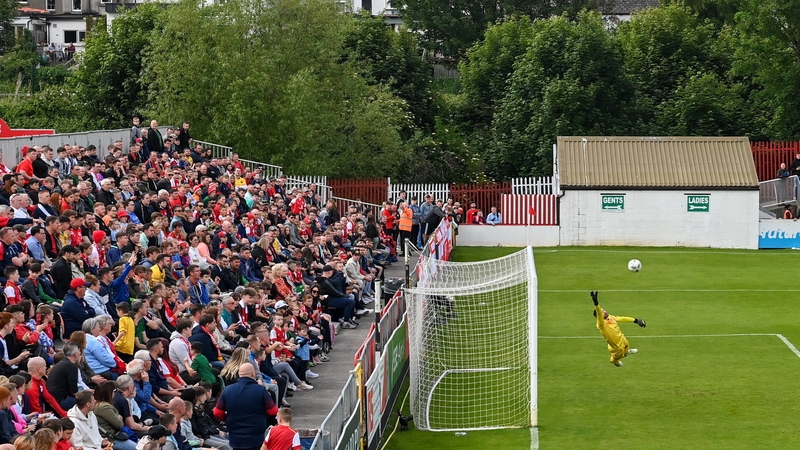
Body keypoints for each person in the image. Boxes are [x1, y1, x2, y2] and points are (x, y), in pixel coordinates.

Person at [213, 363, 278, 450]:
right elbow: (273, 411)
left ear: (239, 374)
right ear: (253, 374)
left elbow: (217, 412)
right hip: (256, 435)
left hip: (236, 436)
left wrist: (228, 418)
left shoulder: (227, 390)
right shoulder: (260, 390)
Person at [590, 291, 646, 367]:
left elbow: (622, 318)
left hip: (621, 338)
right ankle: (614, 361)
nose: (604, 311)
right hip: (616, 347)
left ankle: (626, 352)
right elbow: (599, 314)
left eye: (604, 310)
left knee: (626, 344)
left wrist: (635, 320)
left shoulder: (610, 317)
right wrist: (596, 304)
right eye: (602, 311)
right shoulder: (601, 324)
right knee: (618, 357)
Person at [46, 342, 82, 411]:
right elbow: (73, 391)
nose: (80, 353)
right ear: (76, 354)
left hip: (55, 399)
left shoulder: (62, 363)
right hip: (62, 400)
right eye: (79, 351)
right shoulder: (72, 367)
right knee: (89, 403)